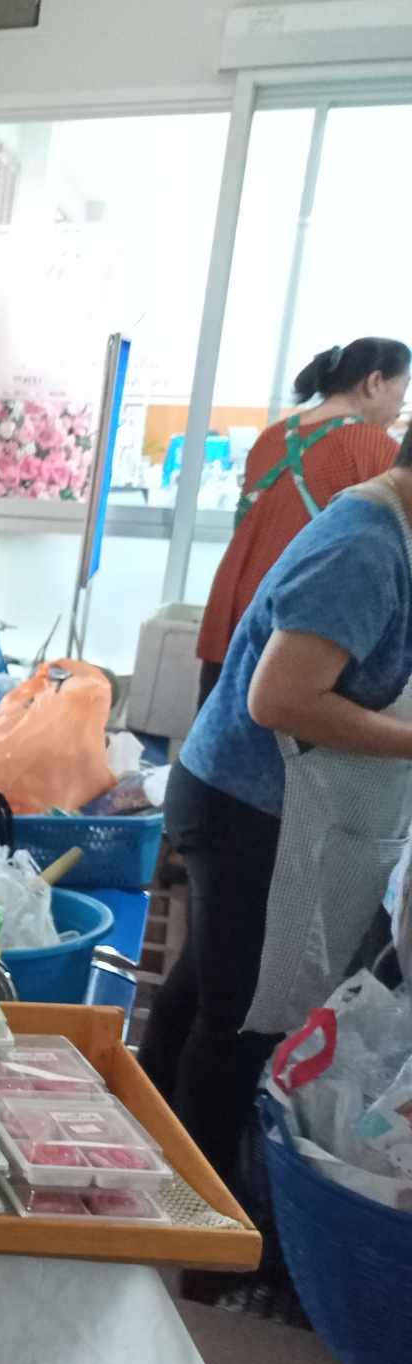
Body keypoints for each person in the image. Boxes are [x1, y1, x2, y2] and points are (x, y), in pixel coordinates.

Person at [144, 420, 412, 1187]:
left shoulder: (391, 532)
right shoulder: (367, 545)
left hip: (250, 797)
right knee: (239, 1021)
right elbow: (280, 697)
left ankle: (138, 1152)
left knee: (203, 990)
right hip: (249, 806)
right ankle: (203, 1216)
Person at [196, 337, 409, 702]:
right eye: (403, 388)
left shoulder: (272, 437)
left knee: (216, 725)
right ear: (375, 382)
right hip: (293, 625)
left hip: (233, 610)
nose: (402, 404)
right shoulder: (374, 446)